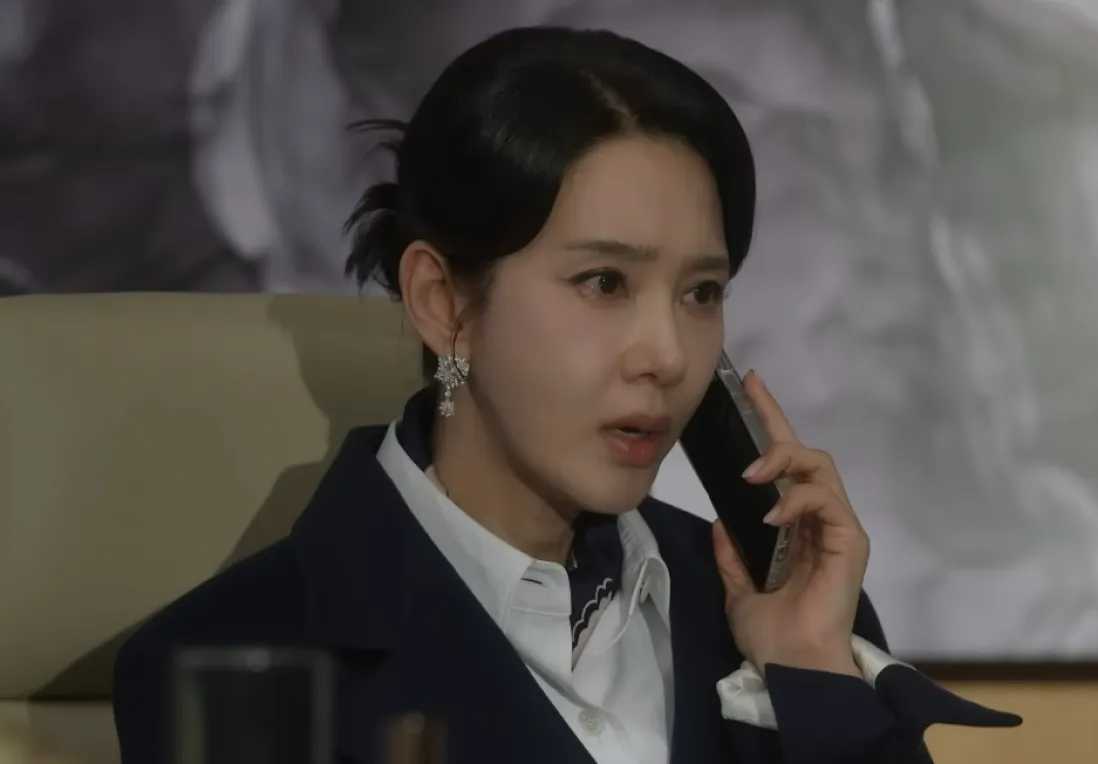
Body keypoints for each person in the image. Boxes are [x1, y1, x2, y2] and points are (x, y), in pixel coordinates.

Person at [112, 26, 1020, 764]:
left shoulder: (775, 613)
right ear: (443, 303)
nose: (667, 355)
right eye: (603, 283)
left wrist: (812, 676)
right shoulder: (232, 665)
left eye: (702, 293)